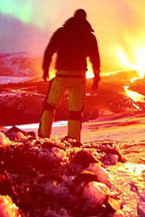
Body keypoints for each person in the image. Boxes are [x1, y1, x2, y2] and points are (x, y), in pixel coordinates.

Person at [38, 9, 100, 142]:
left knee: (49, 105)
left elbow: (49, 50)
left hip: (62, 75)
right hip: (79, 77)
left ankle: (43, 136)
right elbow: (95, 58)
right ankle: (73, 140)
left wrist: (45, 69)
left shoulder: (62, 32)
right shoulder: (89, 36)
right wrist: (96, 77)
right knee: (75, 111)